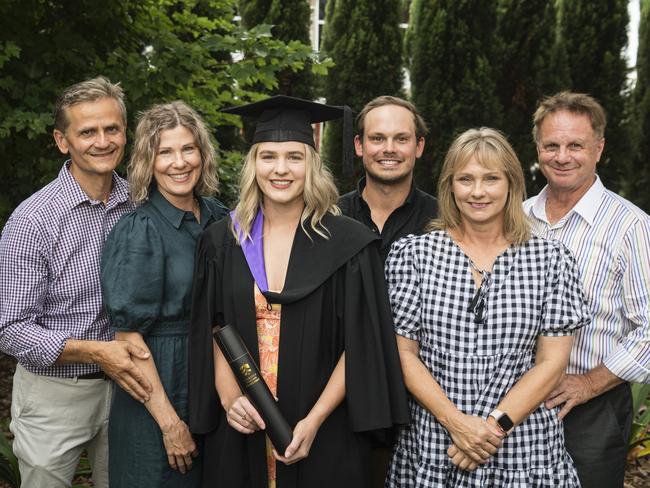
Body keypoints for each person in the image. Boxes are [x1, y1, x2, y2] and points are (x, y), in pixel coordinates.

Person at [188, 95, 409, 488]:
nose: (280, 169)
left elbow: (360, 345)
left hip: (324, 429)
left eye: (294, 156)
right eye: (268, 156)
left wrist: (315, 420)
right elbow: (213, 326)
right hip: (243, 428)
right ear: (252, 164)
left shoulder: (350, 244)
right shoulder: (223, 241)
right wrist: (228, 398)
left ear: (312, 164)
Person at [385, 127, 590, 487]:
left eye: (491, 179)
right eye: (465, 179)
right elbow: (403, 353)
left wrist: (492, 429)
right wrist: (458, 424)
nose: (478, 192)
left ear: (511, 184)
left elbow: (552, 363)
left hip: (522, 449)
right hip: (437, 445)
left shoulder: (551, 260)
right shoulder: (414, 256)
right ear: (450, 186)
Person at [0, 76, 153, 488]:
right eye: (87, 131)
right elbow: (10, 329)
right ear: (62, 140)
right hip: (55, 395)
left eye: (112, 128)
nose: (102, 141)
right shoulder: (32, 221)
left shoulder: (141, 205)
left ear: (125, 132)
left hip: (131, 392)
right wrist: (98, 352)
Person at [524, 91, 650, 488]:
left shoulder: (631, 227)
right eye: (552, 145)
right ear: (538, 149)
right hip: (517, 405)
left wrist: (589, 383)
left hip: (590, 409)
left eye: (575, 145)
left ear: (599, 148)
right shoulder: (518, 219)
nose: (562, 156)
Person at [100, 101, 228, 487]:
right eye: (165, 152)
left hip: (215, 385)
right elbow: (129, 340)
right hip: (159, 389)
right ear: (148, 162)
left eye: (188, 149)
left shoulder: (220, 217)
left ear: (203, 155)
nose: (179, 162)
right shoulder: (139, 229)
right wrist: (170, 423)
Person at [339, 96, 437, 262]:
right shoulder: (332, 216)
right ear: (359, 145)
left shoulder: (442, 220)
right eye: (378, 138)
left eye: (401, 139)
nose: (389, 149)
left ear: (419, 146)